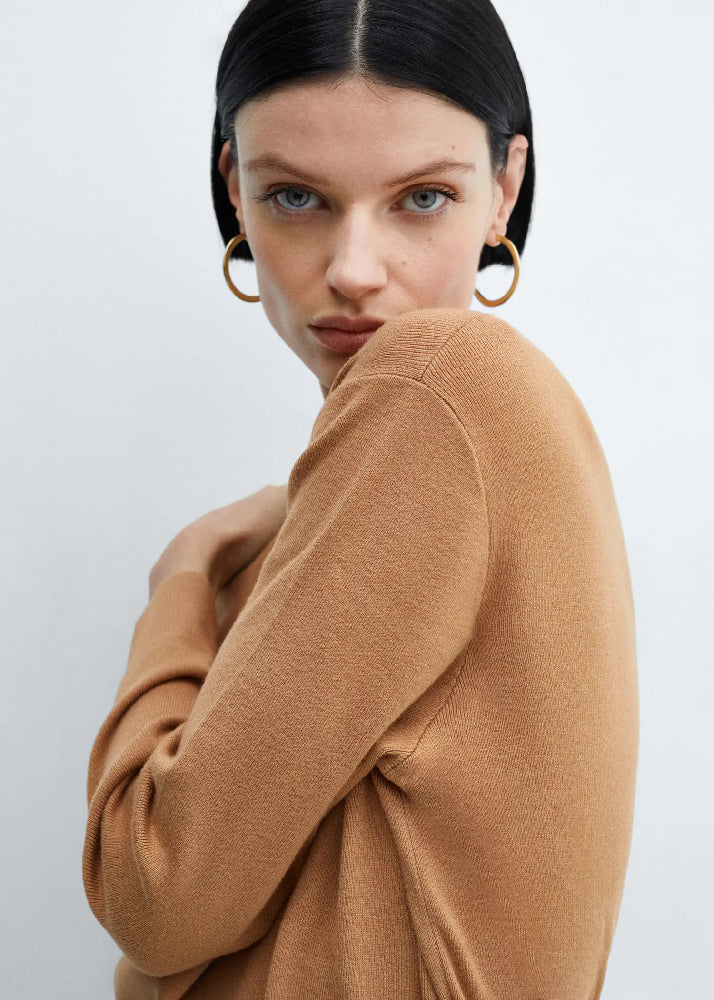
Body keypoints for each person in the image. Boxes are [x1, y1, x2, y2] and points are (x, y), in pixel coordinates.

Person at [82, 2, 639, 998]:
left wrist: (184, 578)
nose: (352, 269)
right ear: (235, 191)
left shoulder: (439, 386)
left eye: (422, 198)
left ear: (504, 190)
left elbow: (154, 891)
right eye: (296, 196)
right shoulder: (466, 442)